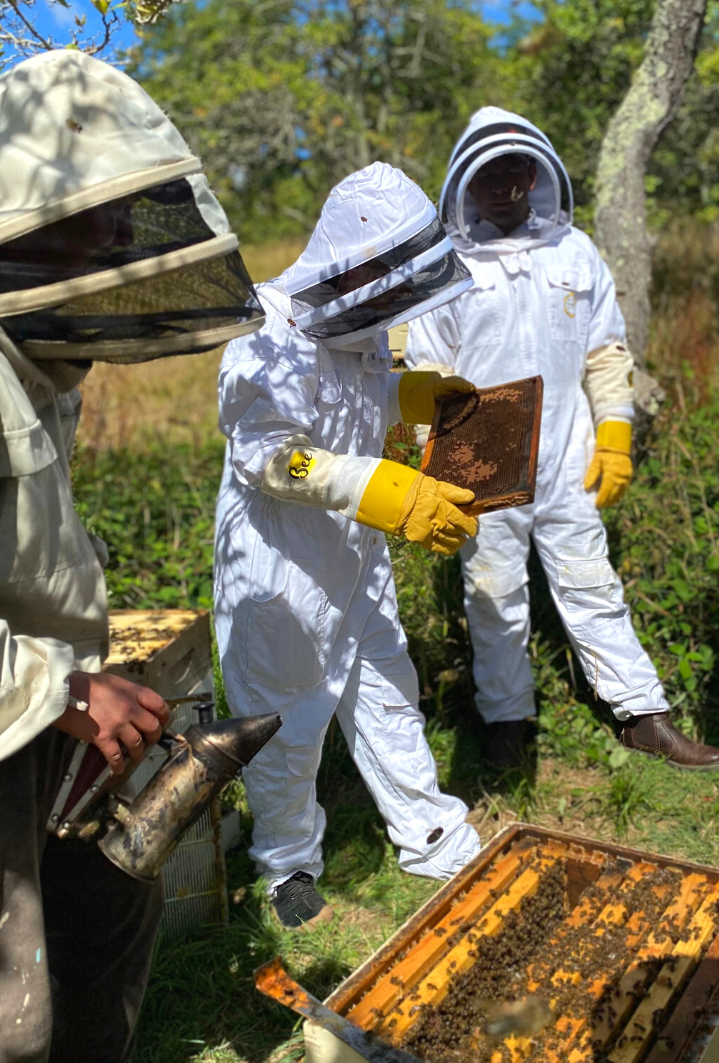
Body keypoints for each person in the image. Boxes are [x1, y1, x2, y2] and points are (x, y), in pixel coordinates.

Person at [0, 50, 265, 1063]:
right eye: (102, 217)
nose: (126, 241)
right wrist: (68, 692)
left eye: (137, 212)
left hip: (36, 716)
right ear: (23, 226)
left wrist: (69, 689)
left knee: (107, 927)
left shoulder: (20, 345)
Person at [405, 108, 719, 772]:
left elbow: (606, 354)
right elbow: (424, 372)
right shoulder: (446, 264)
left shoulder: (574, 251)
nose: (499, 185)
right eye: (485, 173)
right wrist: (433, 459)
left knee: (591, 583)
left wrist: (615, 434)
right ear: (465, 180)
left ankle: (643, 716)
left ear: (533, 173)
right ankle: (505, 724)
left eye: (510, 170)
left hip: (567, 450)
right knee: (491, 591)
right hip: (479, 453)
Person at [213, 162, 483, 930]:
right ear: (355, 264)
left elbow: (357, 397)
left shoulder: (359, 323)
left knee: (390, 695)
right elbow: (268, 456)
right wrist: (388, 491)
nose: (396, 302)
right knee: (284, 725)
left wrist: (413, 394)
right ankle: (286, 864)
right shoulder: (263, 329)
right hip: (279, 568)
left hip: (356, 557)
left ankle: (429, 830)